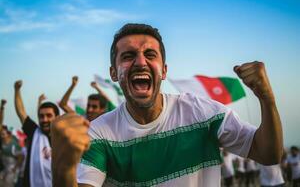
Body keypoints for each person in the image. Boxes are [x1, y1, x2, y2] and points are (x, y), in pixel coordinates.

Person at [51, 23, 283, 187]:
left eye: (150, 55)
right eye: (128, 56)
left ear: (163, 70)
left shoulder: (204, 114)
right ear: (114, 73)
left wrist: (267, 99)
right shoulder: (100, 133)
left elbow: (268, 153)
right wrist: (63, 168)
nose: (141, 62)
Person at [14, 80, 60, 187]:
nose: (44, 119)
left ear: (57, 117)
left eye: (49, 115)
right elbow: (21, 112)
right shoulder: (34, 132)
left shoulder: (64, 139)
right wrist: (17, 90)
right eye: (41, 116)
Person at [0, 100, 23, 187]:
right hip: (4, 170)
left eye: (3, 133)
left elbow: (21, 156)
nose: (2, 134)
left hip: (11, 171)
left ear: (8, 134)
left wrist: (15, 168)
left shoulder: (14, 143)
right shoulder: (1, 141)